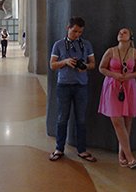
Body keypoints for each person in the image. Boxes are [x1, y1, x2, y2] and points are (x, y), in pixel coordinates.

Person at [49, 17, 97, 163]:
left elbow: (93, 64)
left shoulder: (86, 44)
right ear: (67, 28)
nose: (77, 34)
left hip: (81, 86)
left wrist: (85, 67)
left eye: (80, 32)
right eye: (74, 31)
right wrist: (65, 62)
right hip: (63, 85)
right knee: (62, 118)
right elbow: (52, 65)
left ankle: (81, 150)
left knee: (81, 119)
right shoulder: (58, 44)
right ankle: (59, 148)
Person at [98, 28, 136, 169]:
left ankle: (121, 153)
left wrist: (129, 76)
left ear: (130, 37)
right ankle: (130, 157)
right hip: (112, 87)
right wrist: (114, 75)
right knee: (117, 121)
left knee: (127, 121)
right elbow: (101, 68)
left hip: (129, 87)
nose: (121, 33)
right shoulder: (110, 51)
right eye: (119, 32)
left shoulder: (135, 53)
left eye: (124, 32)